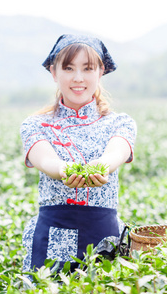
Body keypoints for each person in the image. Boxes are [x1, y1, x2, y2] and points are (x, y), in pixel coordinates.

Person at [20, 34, 137, 273]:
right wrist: (63, 169)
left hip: (104, 235)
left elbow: (117, 151)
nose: (78, 78)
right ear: (54, 72)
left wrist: (102, 166)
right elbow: (45, 159)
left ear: (100, 72)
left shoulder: (120, 123)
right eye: (69, 68)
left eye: (87, 68)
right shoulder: (35, 125)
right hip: (52, 236)